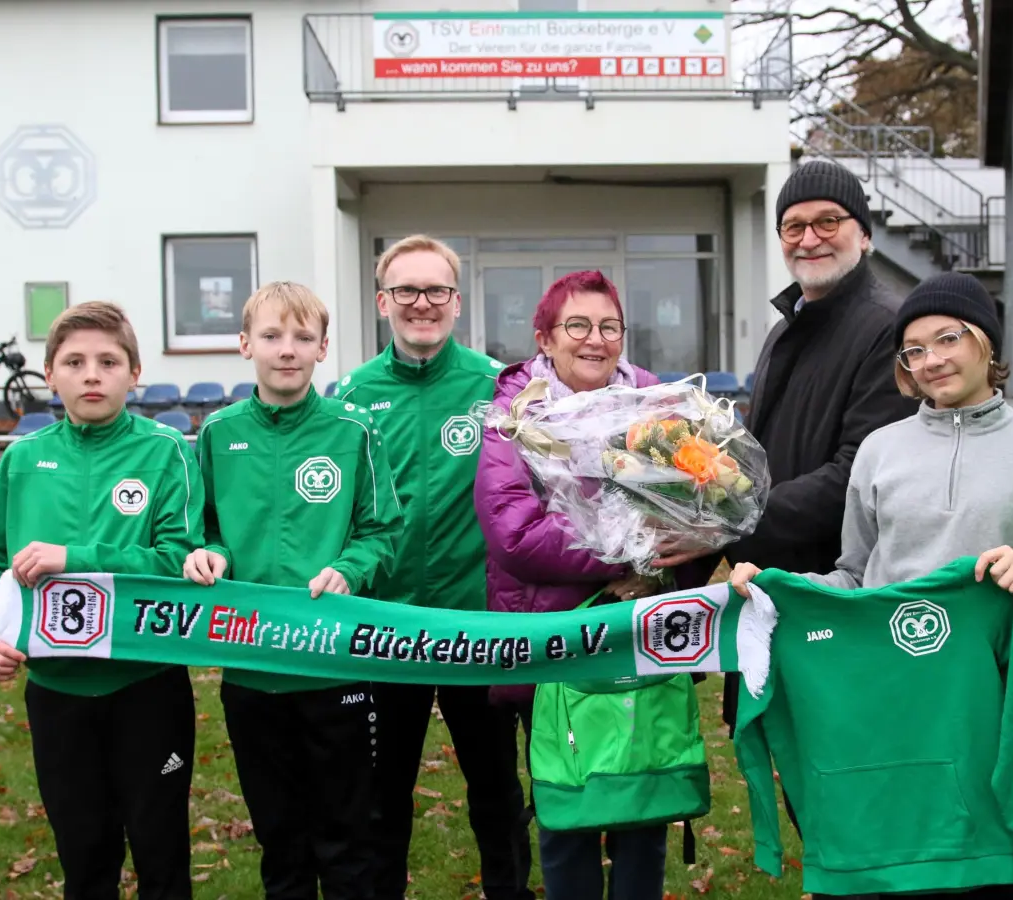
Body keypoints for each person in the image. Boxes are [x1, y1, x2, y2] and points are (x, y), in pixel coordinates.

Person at [729, 272, 1013, 899]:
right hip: (888, 702)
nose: (931, 361)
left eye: (947, 339)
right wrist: (777, 590)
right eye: (914, 350)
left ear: (985, 343)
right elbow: (854, 573)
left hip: (985, 706)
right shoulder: (878, 449)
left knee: (985, 870)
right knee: (891, 864)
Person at [475, 271, 716, 900]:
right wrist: (631, 554)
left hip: (643, 635)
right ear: (544, 341)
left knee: (645, 802)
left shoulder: (662, 412)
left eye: (608, 326)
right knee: (567, 809)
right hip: (555, 644)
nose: (594, 339)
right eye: (576, 326)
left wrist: (686, 551)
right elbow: (517, 538)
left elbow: (703, 521)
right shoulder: (512, 420)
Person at [0, 301, 204, 900]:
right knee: (84, 857)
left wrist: (77, 558)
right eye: (74, 361)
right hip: (57, 691)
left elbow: (180, 562)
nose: (92, 374)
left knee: (161, 856)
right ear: (50, 374)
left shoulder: (167, 452)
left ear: (134, 372)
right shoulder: (22, 459)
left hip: (145, 685)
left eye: (108, 360)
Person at [185, 281, 402, 900]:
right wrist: (210, 557)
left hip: (336, 664)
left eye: (303, 337)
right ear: (245, 344)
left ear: (323, 348)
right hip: (252, 669)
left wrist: (351, 569)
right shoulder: (219, 433)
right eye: (273, 336)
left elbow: (381, 528)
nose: (287, 349)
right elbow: (207, 531)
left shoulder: (353, 430)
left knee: (347, 837)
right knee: (280, 838)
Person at [337, 236, 531, 900]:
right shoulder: (352, 396)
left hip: (476, 624)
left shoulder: (499, 388)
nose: (423, 304)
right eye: (407, 291)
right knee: (382, 796)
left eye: (436, 290)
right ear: (383, 301)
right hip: (386, 628)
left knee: (496, 790)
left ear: (456, 300)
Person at [697, 160, 916, 732]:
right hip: (774, 593)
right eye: (793, 226)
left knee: (844, 788)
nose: (809, 238)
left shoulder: (888, 329)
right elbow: (754, 458)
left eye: (828, 221)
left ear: (863, 234)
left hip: (836, 604)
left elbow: (858, 476)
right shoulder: (788, 325)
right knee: (800, 787)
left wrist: (731, 520)